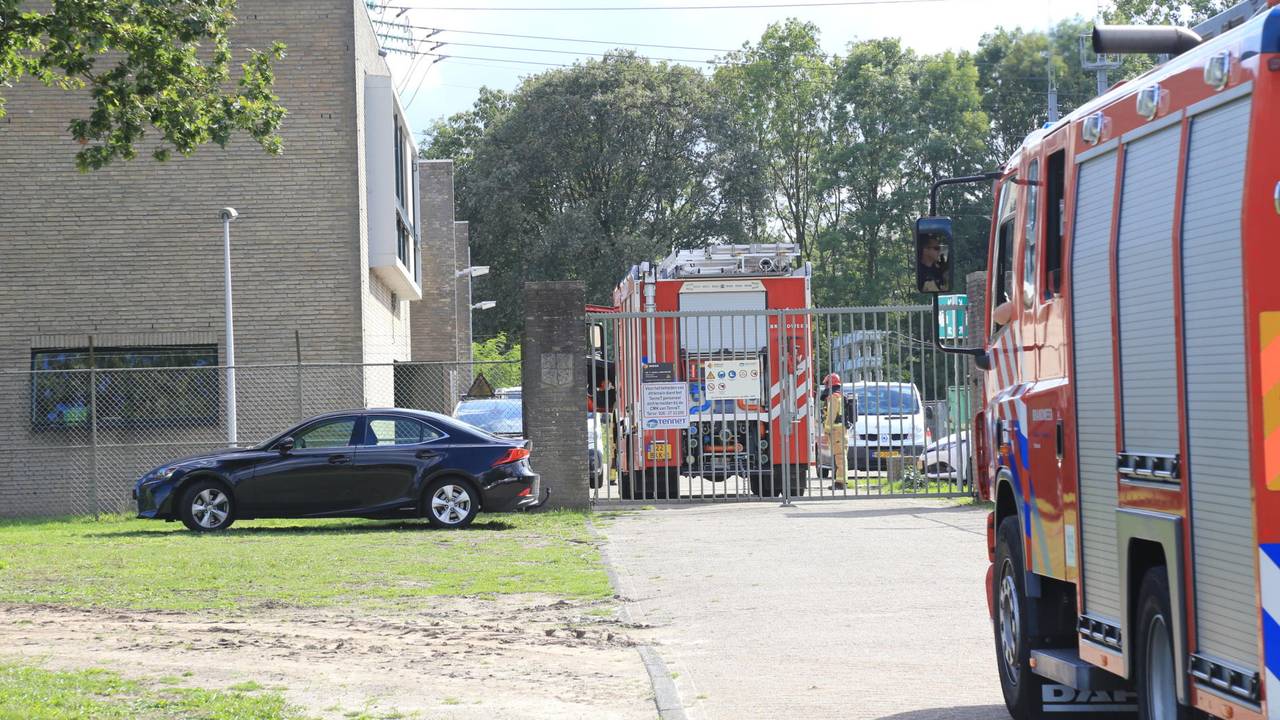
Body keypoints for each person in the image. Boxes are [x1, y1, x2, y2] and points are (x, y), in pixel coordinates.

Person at [820, 373, 848, 490]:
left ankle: (840, 483)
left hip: (836, 430)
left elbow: (831, 415)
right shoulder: (840, 395)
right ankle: (840, 481)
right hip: (840, 429)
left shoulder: (834, 397)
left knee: (840, 456)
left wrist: (826, 431)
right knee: (840, 455)